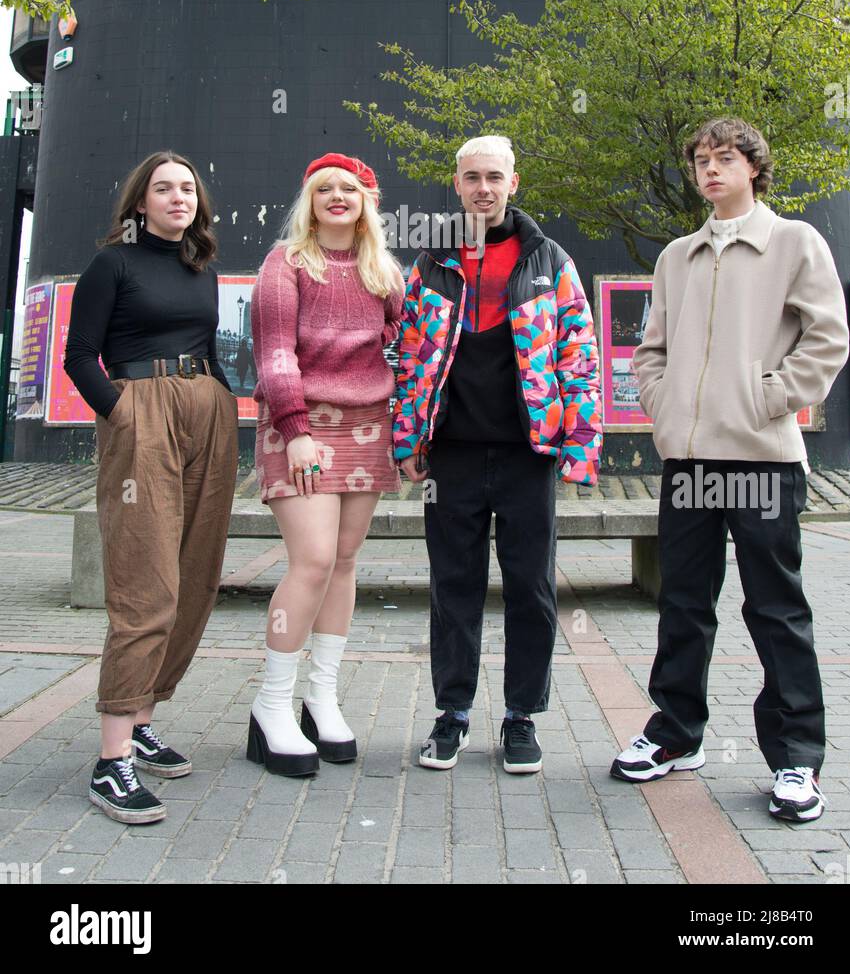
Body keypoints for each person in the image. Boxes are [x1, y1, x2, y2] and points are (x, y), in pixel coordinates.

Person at [610, 118, 849, 824]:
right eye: (699, 161)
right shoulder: (676, 257)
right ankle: (675, 735)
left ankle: (795, 759)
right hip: (687, 460)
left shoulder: (793, 242)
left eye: (724, 158)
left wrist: (765, 399)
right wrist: (662, 405)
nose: (709, 169)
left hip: (760, 459)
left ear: (753, 167)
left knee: (774, 610)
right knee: (683, 604)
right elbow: (648, 352)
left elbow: (826, 339)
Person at [394, 135, 601, 773]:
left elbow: (579, 355)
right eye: (471, 177)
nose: (483, 188)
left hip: (527, 455)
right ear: (456, 185)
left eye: (494, 177)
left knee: (531, 588)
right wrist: (407, 440)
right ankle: (451, 714)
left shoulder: (549, 261)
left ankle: (521, 718)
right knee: (452, 587)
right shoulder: (429, 264)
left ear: (515, 184)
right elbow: (404, 356)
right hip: (450, 456)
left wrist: (579, 448)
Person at [64, 152, 239, 824]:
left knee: (195, 576)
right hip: (142, 414)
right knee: (146, 582)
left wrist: (221, 403)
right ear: (140, 203)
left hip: (206, 413)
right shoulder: (114, 263)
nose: (177, 197)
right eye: (163, 188)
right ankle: (110, 763)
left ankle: (141, 719)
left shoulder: (201, 267)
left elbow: (210, 346)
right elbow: (80, 354)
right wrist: (121, 411)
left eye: (187, 187)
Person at [248, 153, 405, 776]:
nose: (337, 197)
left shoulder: (382, 271)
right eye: (324, 190)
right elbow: (274, 352)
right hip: (302, 426)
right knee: (311, 561)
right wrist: (295, 430)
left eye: (349, 189)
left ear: (366, 201)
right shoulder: (284, 265)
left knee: (342, 561)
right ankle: (271, 705)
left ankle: (322, 696)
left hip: (369, 425)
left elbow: (409, 346)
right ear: (309, 202)